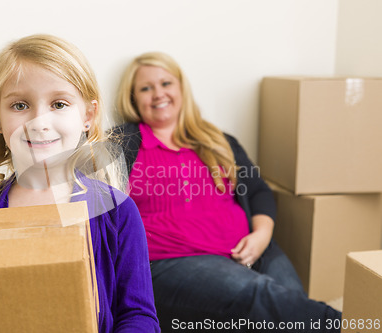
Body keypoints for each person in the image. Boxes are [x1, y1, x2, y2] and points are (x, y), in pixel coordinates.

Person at [0, 34, 160, 333]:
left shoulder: (117, 211)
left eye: (59, 104)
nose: (39, 121)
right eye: (20, 105)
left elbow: (138, 316)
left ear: (87, 115)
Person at [111, 51, 341, 332]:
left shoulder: (217, 140)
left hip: (252, 248)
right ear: (133, 99)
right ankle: (355, 324)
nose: (158, 93)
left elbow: (257, 191)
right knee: (267, 298)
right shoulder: (123, 145)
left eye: (166, 83)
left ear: (181, 88)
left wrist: (261, 235)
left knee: (289, 301)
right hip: (172, 262)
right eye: (146, 88)